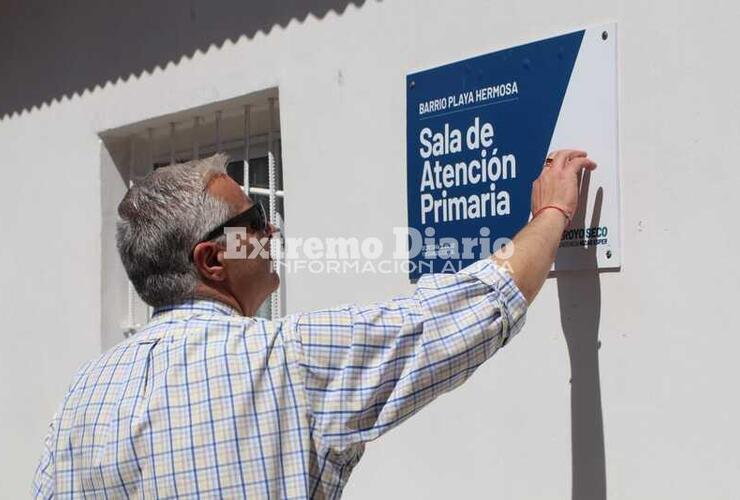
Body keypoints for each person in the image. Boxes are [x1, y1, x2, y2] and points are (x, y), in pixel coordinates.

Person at [33, 150, 596, 498]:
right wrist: (551, 214)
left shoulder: (82, 397)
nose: (271, 233)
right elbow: (462, 311)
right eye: (253, 221)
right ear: (211, 260)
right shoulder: (284, 359)